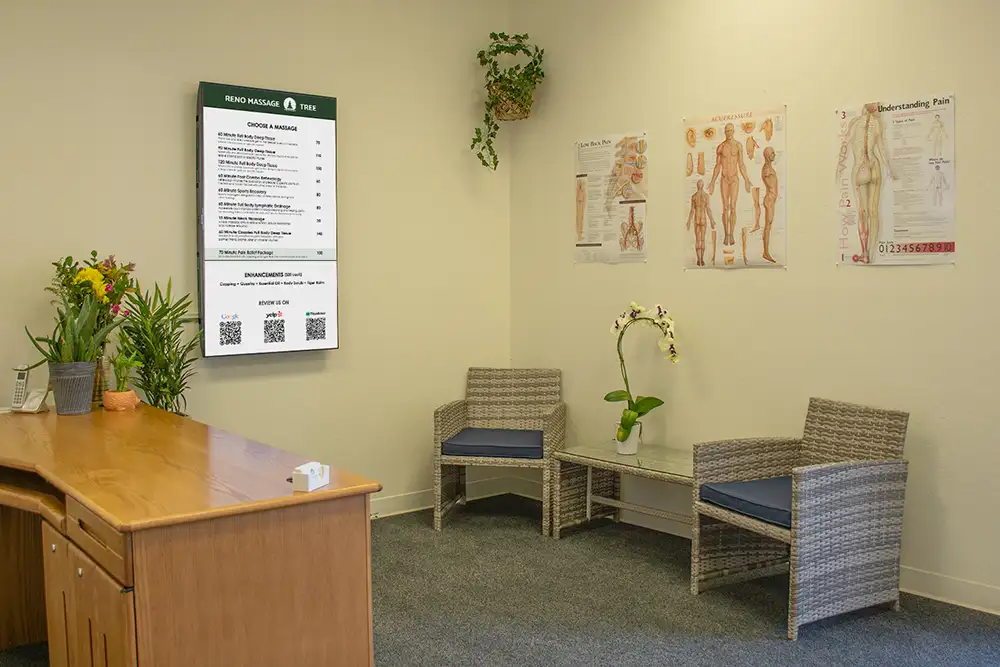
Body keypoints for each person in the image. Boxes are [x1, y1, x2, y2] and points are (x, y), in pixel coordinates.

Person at [836, 103, 896, 264]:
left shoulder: (855, 123)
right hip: (874, 165)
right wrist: (890, 169)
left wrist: (838, 168)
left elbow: (844, 147)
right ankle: (871, 252)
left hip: (860, 167)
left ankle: (865, 254)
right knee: (873, 212)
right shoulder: (877, 123)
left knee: (862, 212)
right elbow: (881, 149)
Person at [708, 123, 752, 246]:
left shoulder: (738, 146)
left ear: (733, 131)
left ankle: (731, 234)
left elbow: (741, 164)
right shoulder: (720, 147)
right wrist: (712, 182)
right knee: (725, 207)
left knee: (732, 206)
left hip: (734, 179)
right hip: (724, 179)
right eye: (727, 131)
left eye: (730, 130)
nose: (728, 133)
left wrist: (746, 179)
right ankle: (726, 234)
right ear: (724, 132)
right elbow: (717, 166)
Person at [686, 179, 716, 266]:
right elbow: (707, 209)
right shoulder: (705, 196)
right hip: (702, 219)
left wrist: (712, 220)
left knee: (698, 240)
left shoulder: (694, 196)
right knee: (702, 240)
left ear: (698, 185)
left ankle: (699, 260)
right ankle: (700, 260)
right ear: (702, 185)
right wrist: (688, 221)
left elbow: (693, 210)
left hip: (697, 219)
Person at [761, 147, 779, 263]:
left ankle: (766, 251)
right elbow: (767, 180)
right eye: (772, 153)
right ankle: (765, 252)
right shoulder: (767, 169)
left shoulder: (768, 168)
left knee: (769, 225)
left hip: (771, 199)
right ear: (767, 155)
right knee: (768, 226)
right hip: (769, 199)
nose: (774, 155)